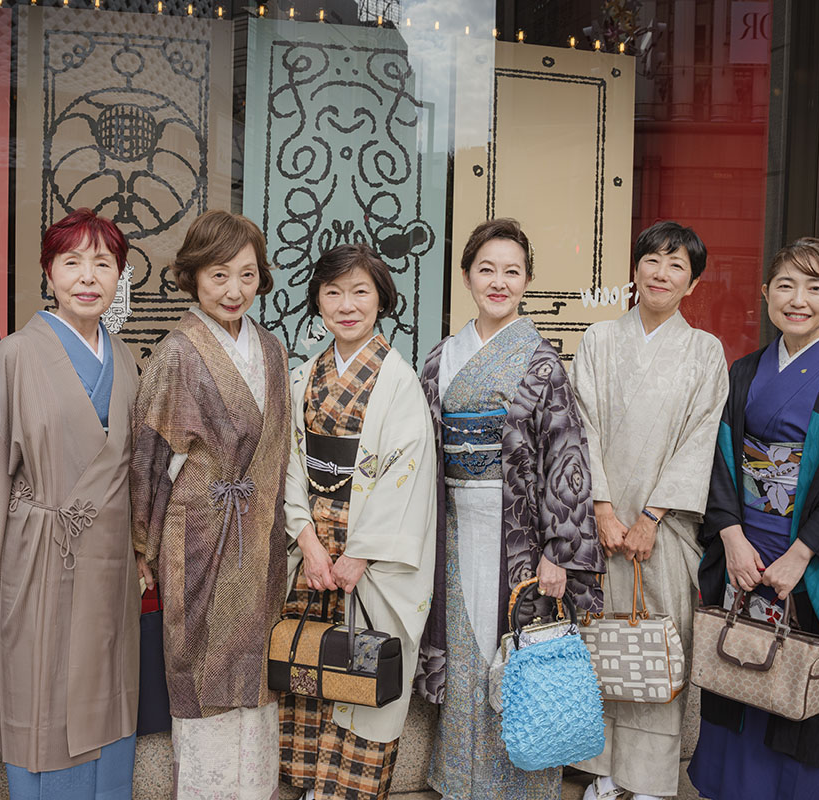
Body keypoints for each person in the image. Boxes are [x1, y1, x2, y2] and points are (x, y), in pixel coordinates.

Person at [0, 208, 141, 799]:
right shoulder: (17, 354)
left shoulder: (125, 359)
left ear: (119, 276)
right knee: (42, 683)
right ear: (49, 273)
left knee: (108, 679)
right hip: (42, 548)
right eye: (72, 262)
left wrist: (144, 544)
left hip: (112, 556)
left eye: (103, 264)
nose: (88, 277)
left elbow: (139, 465)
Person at [688, 238, 819, 800]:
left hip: (810, 559)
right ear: (765, 293)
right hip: (744, 552)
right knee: (735, 669)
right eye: (785, 285)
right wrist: (731, 536)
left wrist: (801, 556)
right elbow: (717, 460)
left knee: (798, 684)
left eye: (814, 287)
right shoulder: (744, 371)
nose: (798, 299)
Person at [415, 219, 604, 800]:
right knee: (464, 650)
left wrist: (559, 552)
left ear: (526, 280)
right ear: (467, 276)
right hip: (451, 526)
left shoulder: (542, 363)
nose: (499, 282)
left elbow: (566, 458)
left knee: (518, 652)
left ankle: (519, 786)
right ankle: (461, 781)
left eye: (512, 271)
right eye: (487, 269)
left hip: (518, 534)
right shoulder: (441, 358)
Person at [130, 210, 291, 800]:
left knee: (258, 672)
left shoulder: (271, 349)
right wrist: (142, 545)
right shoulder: (177, 352)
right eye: (219, 275)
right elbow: (148, 458)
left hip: (261, 532)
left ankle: (254, 789)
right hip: (198, 536)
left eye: (246, 275)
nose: (233, 290)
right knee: (200, 668)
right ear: (194, 275)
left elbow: (282, 449)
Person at [568, 221, 729, 800]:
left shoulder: (705, 352)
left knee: (658, 650)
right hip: (602, 526)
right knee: (602, 648)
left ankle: (652, 781)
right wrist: (603, 509)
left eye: (676, 265)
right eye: (652, 261)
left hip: (662, 532)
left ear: (693, 283)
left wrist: (651, 516)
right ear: (634, 270)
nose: (661, 273)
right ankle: (605, 773)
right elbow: (581, 424)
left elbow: (701, 438)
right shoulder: (599, 340)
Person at [281, 243, 436, 800]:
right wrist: (306, 539)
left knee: (364, 677)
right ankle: (306, 786)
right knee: (308, 670)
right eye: (333, 292)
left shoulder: (399, 382)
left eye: (360, 292)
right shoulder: (302, 377)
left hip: (366, 565)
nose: (346, 305)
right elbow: (288, 463)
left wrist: (359, 554)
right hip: (312, 560)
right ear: (318, 302)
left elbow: (407, 476)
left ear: (381, 299)